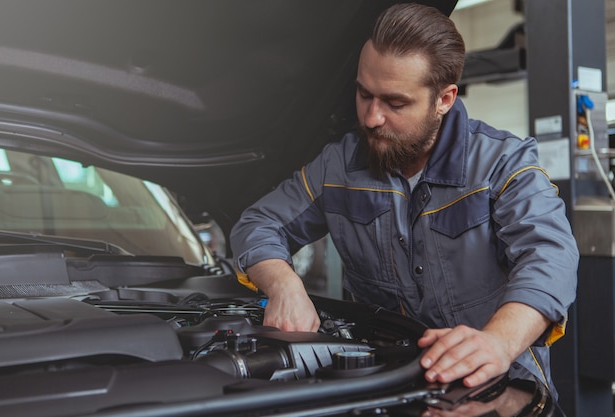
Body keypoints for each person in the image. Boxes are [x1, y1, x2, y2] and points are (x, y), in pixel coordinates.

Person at [230, 2, 578, 397]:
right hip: (380, 380)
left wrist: (498, 341)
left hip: (494, 384)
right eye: (364, 94)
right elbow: (257, 223)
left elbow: (550, 256)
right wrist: (284, 285)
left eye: (395, 103)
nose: (372, 117)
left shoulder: (501, 164)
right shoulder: (337, 167)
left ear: (444, 100)